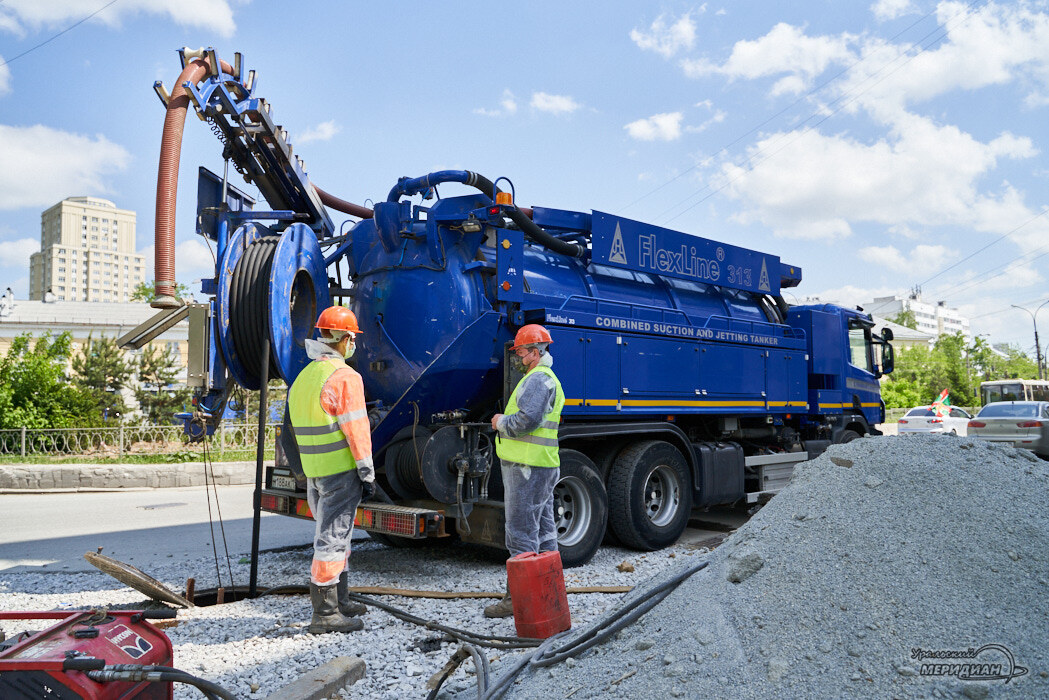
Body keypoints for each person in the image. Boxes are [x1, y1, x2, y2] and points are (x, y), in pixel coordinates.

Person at [287, 306, 376, 634]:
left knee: (338, 535)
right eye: (351, 337)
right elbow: (356, 429)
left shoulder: (304, 377)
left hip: (315, 472)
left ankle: (340, 599)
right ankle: (325, 614)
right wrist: (366, 471)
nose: (353, 343)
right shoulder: (345, 377)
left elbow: (292, 430)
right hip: (340, 471)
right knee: (332, 539)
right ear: (343, 339)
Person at [485, 324, 565, 618]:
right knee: (544, 533)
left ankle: (518, 600)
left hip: (527, 467)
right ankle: (548, 595)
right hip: (540, 464)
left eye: (520, 351)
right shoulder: (545, 378)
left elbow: (526, 420)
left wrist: (499, 422)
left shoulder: (537, 380)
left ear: (535, 352)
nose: (517, 357)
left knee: (520, 532)